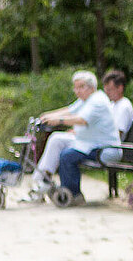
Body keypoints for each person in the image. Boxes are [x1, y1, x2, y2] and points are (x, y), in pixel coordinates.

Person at [30, 71, 121, 205]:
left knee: (67, 156)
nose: (77, 91)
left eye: (80, 87)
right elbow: (70, 110)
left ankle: (74, 195)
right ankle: (43, 180)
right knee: (57, 139)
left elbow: (81, 120)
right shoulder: (86, 100)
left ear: (91, 87)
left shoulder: (97, 101)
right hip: (88, 143)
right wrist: (46, 116)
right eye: (75, 87)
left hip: (103, 148)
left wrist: (59, 120)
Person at [102, 69, 133, 139]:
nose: (107, 93)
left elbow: (117, 135)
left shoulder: (124, 106)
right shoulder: (112, 104)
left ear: (120, 88)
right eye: (105, 90)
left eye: (109, 90)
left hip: (111, 147)